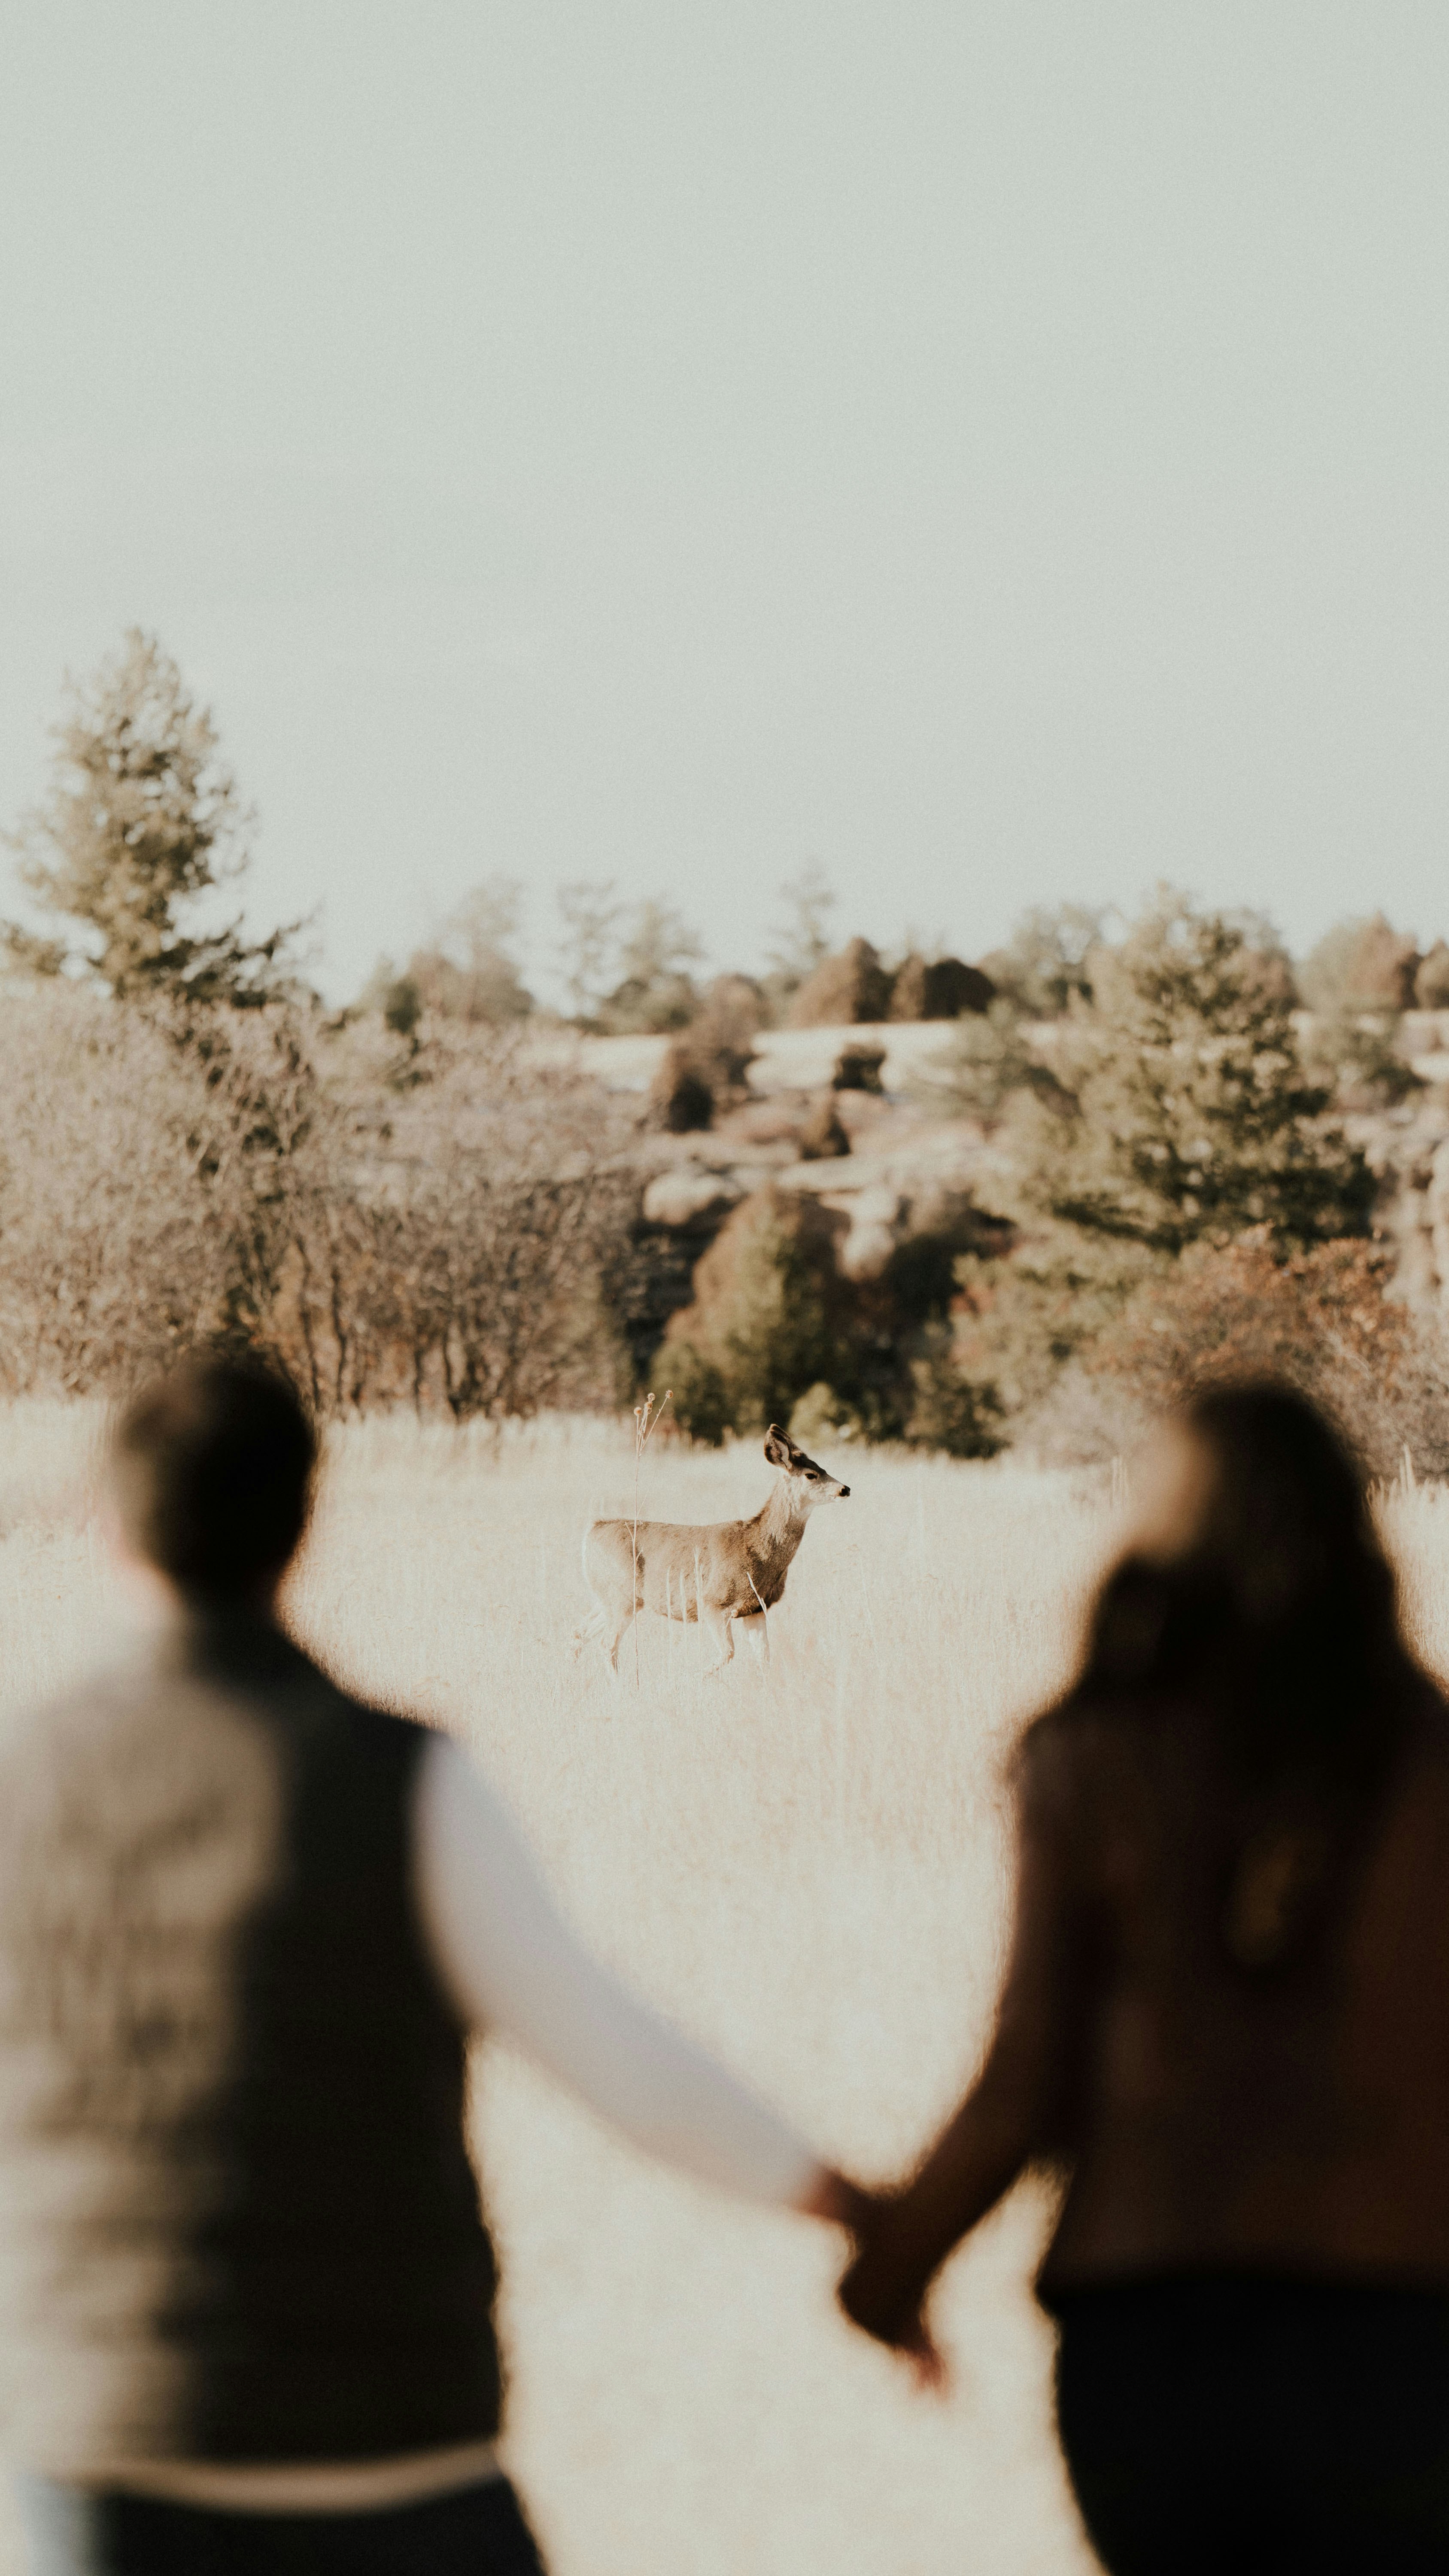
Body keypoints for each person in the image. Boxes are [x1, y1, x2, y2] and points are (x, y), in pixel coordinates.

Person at [0, 1356, 868, 2576]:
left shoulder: (22, 1782)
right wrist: (852, 2210)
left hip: (105, 2446)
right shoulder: (407, 1780)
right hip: (386, 2443)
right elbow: (612, 2052)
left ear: (106, 1526)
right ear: (304, 1526)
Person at [840, 1383, 1449, 2575]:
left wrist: (891, 2272)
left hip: (1151, 2352)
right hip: (1396, 2344)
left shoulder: (1090, 1756)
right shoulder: (1429, 1761)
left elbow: (1026, 2081)